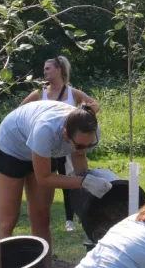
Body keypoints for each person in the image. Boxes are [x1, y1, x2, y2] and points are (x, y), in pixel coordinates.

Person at [0, 100, 112, 260]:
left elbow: (79, 157)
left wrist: (86, 189)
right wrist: (84, 182)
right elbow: (43, 178)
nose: (85, 149)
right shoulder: (46, 130)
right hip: (13, 147)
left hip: (45, 149)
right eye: (79, 145)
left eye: (89, 145)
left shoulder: (89, 129)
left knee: (41, 216)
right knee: (7, 220)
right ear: (65, 135)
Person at [20, 56, 101, 232]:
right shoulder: (39, 94)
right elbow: (20, 110)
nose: (45, 72)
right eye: (44, 68)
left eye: (48, 68)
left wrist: (84, 112)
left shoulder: (72, 92)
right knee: (47, 182)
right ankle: (46, 220)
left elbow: (96, 106)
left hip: (69, 146)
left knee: (70, 180)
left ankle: (72, 218)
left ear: (59, 70)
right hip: (45, 145)